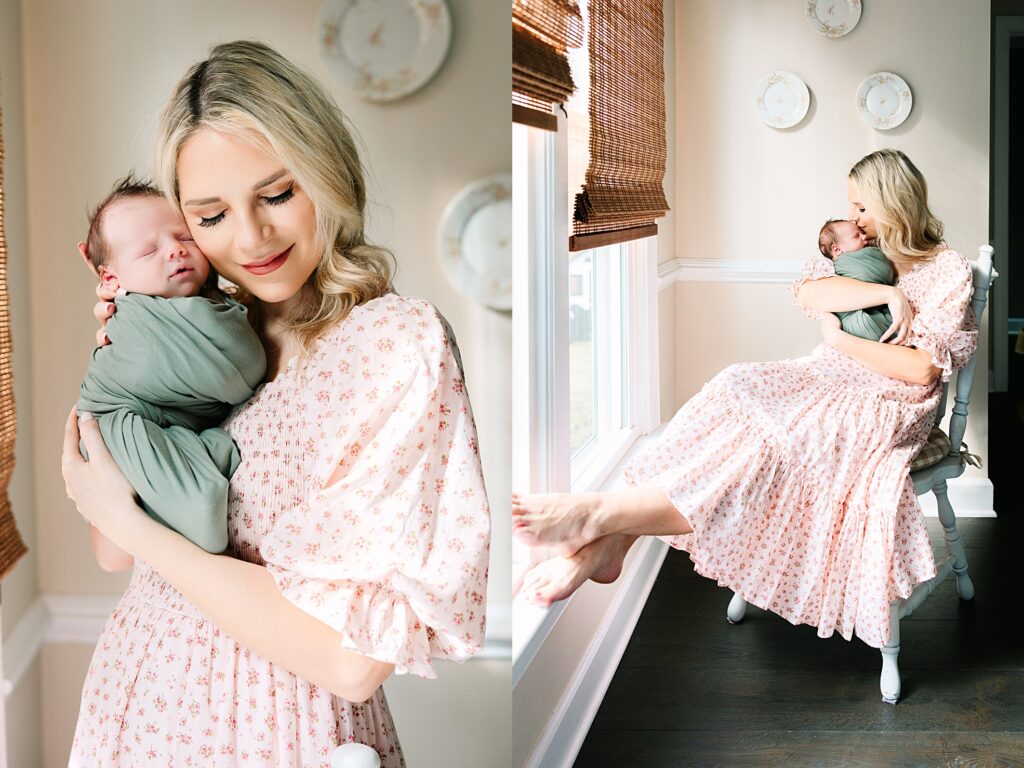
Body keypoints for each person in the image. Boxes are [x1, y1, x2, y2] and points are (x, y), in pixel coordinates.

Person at [61, 40, 490, 767]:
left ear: (327, 174)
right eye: (210, 215)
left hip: (274, 725)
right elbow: (110, 548)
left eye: (278, 194)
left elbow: (352, 662)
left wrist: (135, 527)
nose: (251, 238)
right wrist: (132, 348)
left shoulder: (391, 346)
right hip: (136, 701)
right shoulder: (214, 335)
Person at [512, 148, 977, 655]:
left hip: (888, 400)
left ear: (894, 201)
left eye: (863, 206)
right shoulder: (864, 248)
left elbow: (921, 368)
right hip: (827, 374)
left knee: (774, 443)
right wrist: (890, 297)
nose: (855, 218)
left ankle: (601, 521)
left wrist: (844, 341)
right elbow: (810, 294)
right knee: (736, 386)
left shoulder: (946, 269)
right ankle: (606, 538)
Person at [76, 174, 267, 554]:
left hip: (156, 429)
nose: (175, 251)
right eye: (148, 252)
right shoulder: (131, 321)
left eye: (184, 237)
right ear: (110, 279)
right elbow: (238, 372)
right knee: (202, 518)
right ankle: (206, 456)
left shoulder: (203, 303)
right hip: (116, 425)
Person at [817, 218, 897, 343]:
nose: (864, 237)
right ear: (837, 250)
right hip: (859, 320)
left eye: (861, 232)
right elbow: (882, 272)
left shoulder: (856, 255)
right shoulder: (831, 267)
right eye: (856, 236)